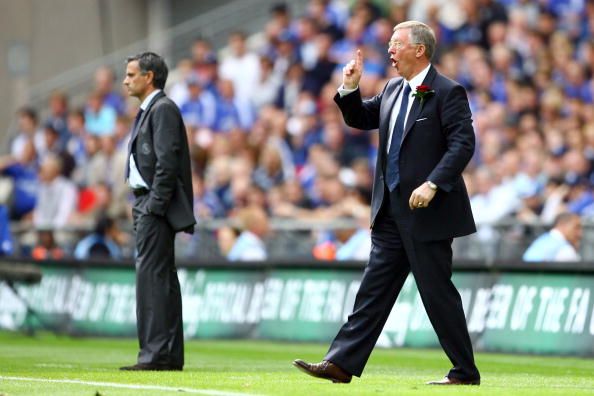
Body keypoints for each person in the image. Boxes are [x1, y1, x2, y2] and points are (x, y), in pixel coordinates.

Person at [293, 21, 480, 385]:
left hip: (427, 212)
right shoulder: (393, 89)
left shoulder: (448, 91)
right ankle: (340, 363)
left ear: (419, 50)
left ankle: (464, 371)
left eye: (397, 44)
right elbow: (361, 117)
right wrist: (349, 87)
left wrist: (433, 184)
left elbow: (463, 145)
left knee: (436, 293)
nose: (390, 50)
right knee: (373, 290)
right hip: (390, 212)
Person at [120, 52, 195, 371]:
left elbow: (167, 163)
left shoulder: (162, 109)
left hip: (154, 206)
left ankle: (154, 355)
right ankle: (167, 356)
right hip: (148, 203)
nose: (126, 80)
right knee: (161, 279)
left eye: (131, 74)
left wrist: (153, 207)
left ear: (149, 77)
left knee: (152, 279)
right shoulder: (154, 109)